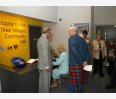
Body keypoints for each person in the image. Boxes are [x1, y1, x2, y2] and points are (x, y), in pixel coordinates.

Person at [68, 27, 90, 93]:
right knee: (81, 82)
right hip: (83, 64)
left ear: (72, 31)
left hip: (75, 64)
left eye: (68, 31)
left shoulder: (71, 39)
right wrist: (85, 61)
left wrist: (82, 63)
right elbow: (87, 51)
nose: (68, 33)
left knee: (72, 83)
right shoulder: (82, 39)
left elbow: (75, 53)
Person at [37, 27, 52, 93]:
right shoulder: (45, 40)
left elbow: (41, 53)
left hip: (40, 65)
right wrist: (47, 66)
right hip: (45, 66)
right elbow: (45, 54)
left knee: (41, 81)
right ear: (47, 32)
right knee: (46, 82)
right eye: (50, 33)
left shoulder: (40, 39)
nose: (50, 34)